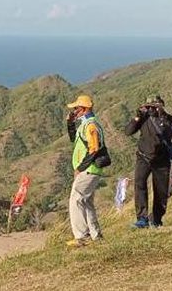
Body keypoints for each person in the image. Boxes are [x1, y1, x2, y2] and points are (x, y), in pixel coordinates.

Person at [125, 95, 172, 228]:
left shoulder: (168, 119)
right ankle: (142, 218)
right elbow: (128, 131)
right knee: (140, 184)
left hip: (162, 159)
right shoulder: (143, 118)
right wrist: (137, 117)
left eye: (155, 106)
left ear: (161, 105)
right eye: (149, 106)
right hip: (143, 157)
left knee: (161, 190)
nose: (152, 108)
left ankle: (156, 219)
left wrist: (162, 117)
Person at [65, 94, 107, 247]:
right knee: (86, 202)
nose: (74, 111)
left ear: (83, 109)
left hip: (89, 169)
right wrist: (70, 124)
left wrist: (80, 168)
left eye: (76, 108)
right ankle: (96, 235)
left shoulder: (90, 125)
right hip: (90, 170)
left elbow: (94, 149)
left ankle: (82, 237)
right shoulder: (85, 124)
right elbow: (74, 140)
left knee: (76, 200)